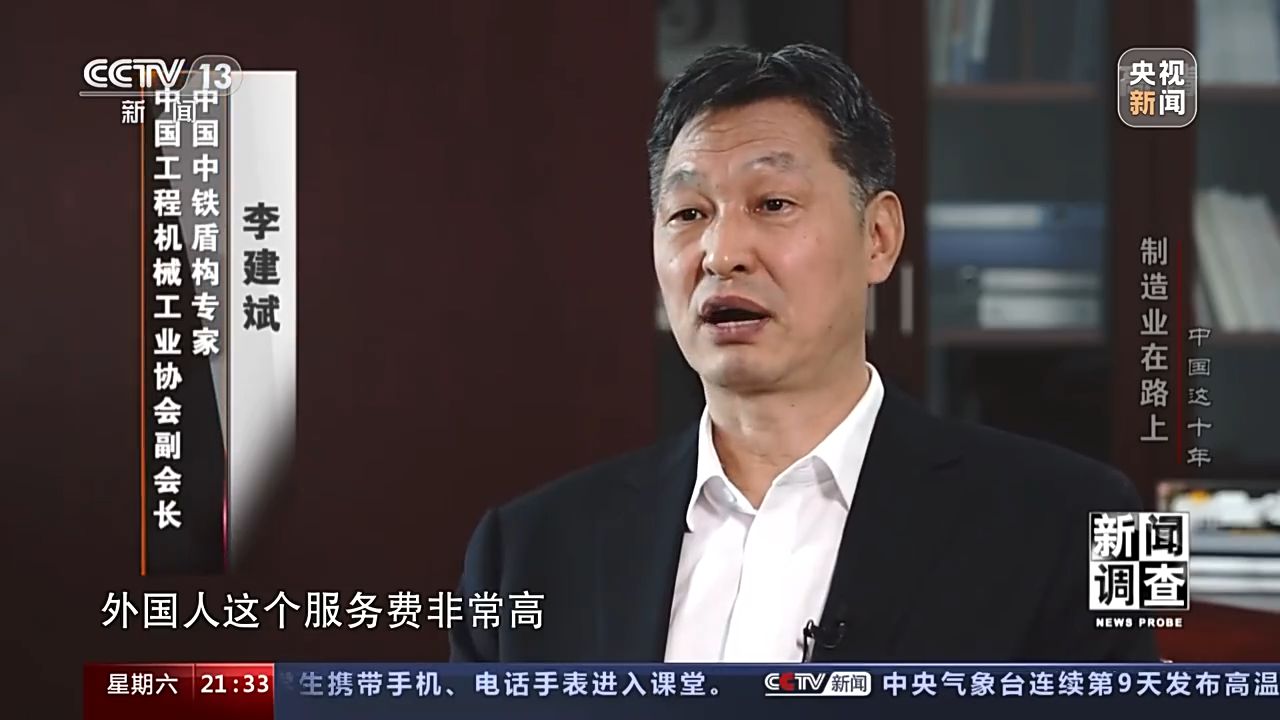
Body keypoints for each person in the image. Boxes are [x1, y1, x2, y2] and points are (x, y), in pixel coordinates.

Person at [449, 43, 1157, 663]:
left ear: (878, 237)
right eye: (689, 214)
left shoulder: (1087, 522)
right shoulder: (526, 552)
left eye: (773, 204)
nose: (721, 253)